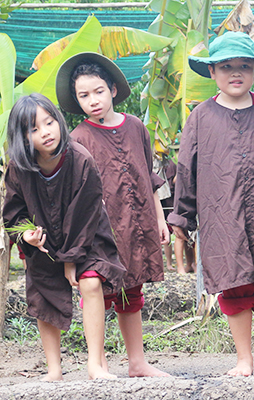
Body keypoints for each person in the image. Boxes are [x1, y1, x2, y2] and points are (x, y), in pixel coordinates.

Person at [168, 32, 254, 376]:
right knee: (234, 283)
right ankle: (243, 359)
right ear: (212, 73)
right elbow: (186, 169)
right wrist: (182, 215)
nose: (235, 73)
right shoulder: (200, 117)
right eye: (226, 67)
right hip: (220, 214)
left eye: (244, 66)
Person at [55, 52, 170, 378]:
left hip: (137, 225)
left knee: (132, 291)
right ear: (77, 100)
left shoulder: (136, 127)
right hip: (100, 232)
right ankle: (98, 363)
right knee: (97, 292)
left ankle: (137, 362)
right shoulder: (77, 139)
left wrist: (160, 220)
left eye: (98, 91)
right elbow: (72, 198)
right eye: (84, 95)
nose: (93, 100)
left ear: (113, 90)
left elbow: (149, 178)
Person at [3, 94, 127, 380]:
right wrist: (27, 236)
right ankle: (54, 369)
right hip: (44, 244)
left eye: (49, 122)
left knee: (91, 282)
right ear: (22, 138)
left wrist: (72, 259)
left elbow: (86, 213)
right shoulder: (18, 169)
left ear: (58, 121)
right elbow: (12, 214)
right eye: (33, 129)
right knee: (43, 295)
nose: (45, 132)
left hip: (87, 236)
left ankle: (95, 364)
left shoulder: (80, 159)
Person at [154, 153, 177, 271]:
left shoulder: (170, 162)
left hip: (169, 199)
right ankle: (165, 263)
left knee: (168, 232)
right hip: (160, 199)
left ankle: (168, 263)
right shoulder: (154, 161)